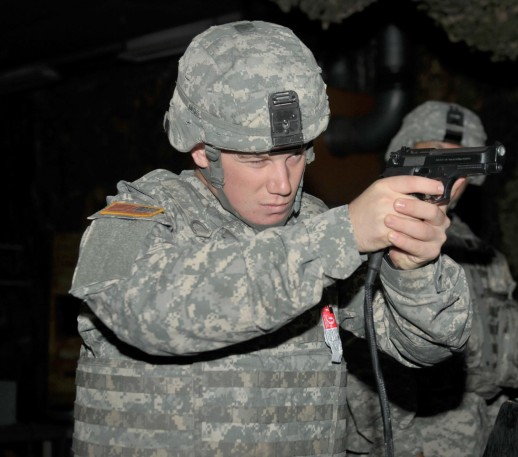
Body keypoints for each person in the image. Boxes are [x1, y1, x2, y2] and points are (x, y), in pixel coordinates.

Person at [69, 22, 473, 456]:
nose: (282, 183)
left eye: (294, 154)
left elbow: (428, 347)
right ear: (204, 151)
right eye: (256, 159)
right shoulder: (132, 217)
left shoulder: (316, 224)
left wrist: (410, 271)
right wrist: (340, 237)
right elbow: (149, 312)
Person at [345, 101, 518, 457]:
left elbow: (496, 372)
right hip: (389, 442)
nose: (444, 174)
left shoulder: (484, 256)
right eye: (433, 155)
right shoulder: (360, 232)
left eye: (459, 162)